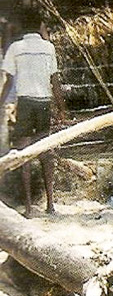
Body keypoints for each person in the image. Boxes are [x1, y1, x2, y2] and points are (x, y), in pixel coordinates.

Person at [1, 11, 67, 217]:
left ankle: (29, 207)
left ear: (21, 28)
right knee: (45, 152)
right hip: (44, 104)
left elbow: (9, 82)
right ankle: (50, 204)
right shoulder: (48, 48)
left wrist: (0, 102)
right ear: (39, 26)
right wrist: (63, 108)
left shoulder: (15, 48)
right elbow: (55, 81)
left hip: (26, 103)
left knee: (25, 154)